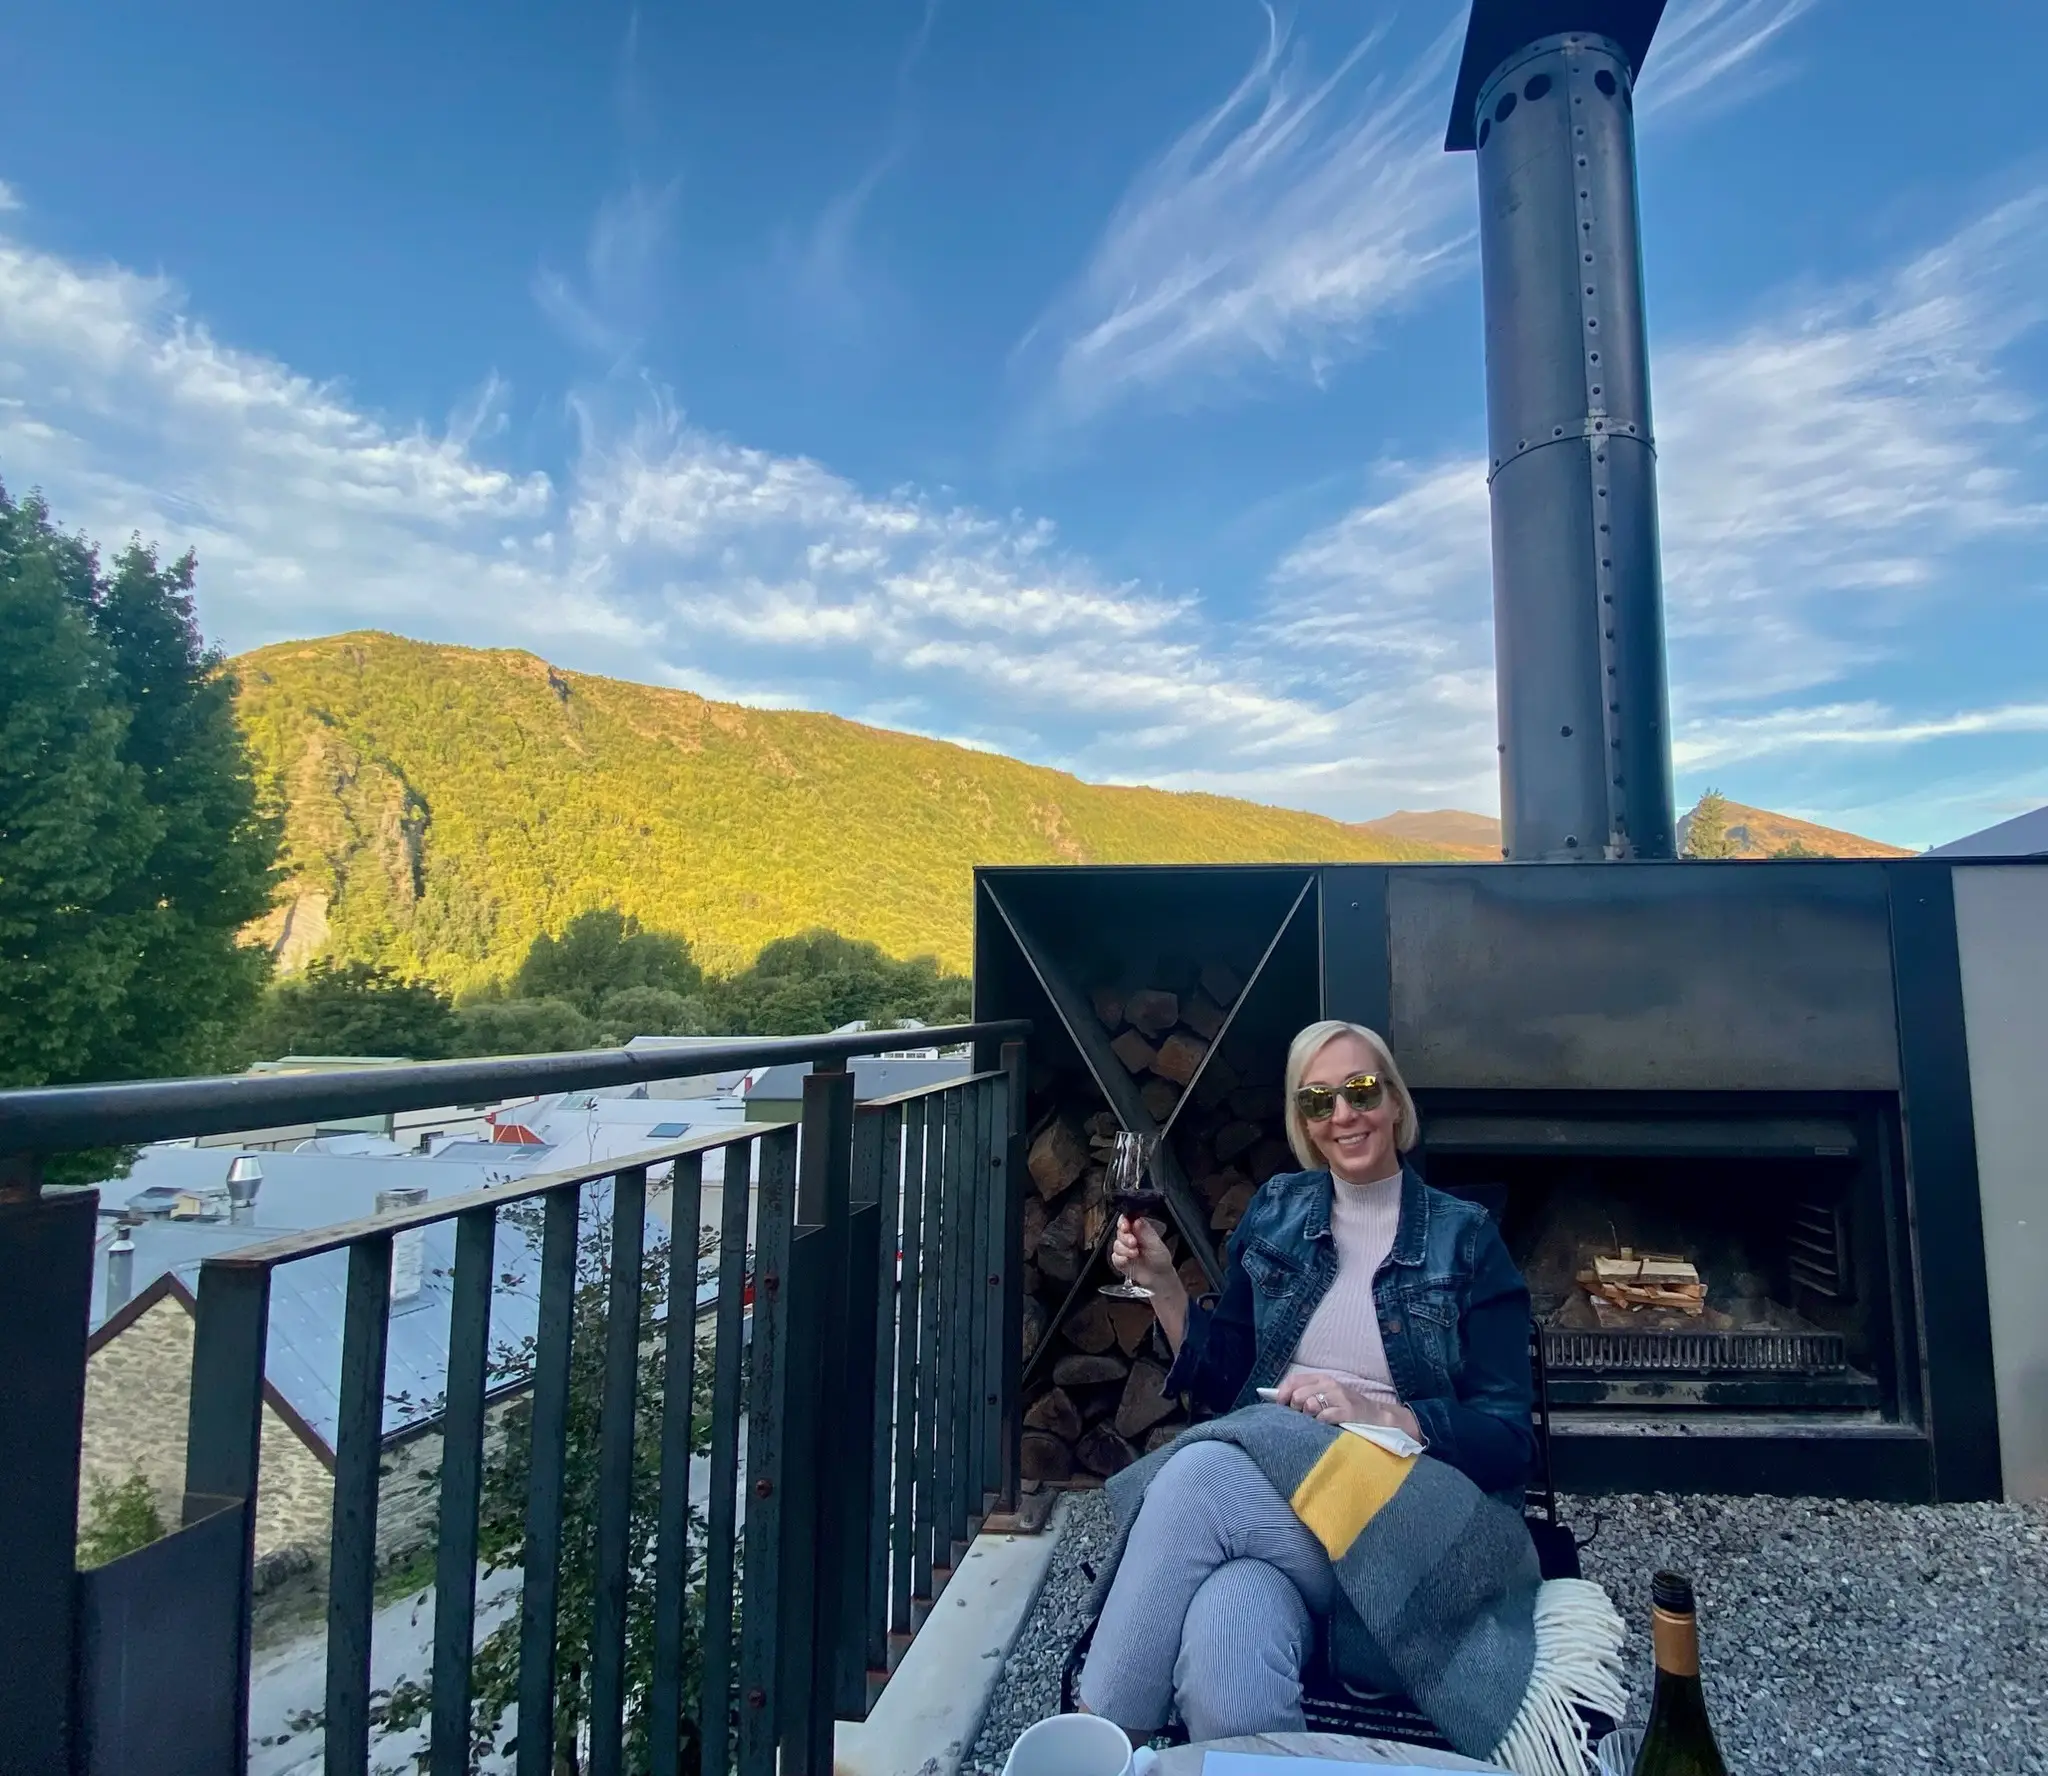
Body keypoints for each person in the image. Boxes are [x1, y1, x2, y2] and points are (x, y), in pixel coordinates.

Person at [1075, 1019, 1535, 1743]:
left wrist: (1382, 1411)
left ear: (1393, 1099)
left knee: (1201, 1479)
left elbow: (1510, 1444)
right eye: (1319, 1101)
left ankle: (1091, 1745)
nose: (1344, 1115)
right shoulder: (1280, 1210)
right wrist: (1164, 1284)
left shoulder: (1466, 1237)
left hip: (1412, 1524)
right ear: (1303, 1121)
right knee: (1225, 1639)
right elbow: (1226, 1382)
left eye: (1359, 1090)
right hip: (1286, 1517)